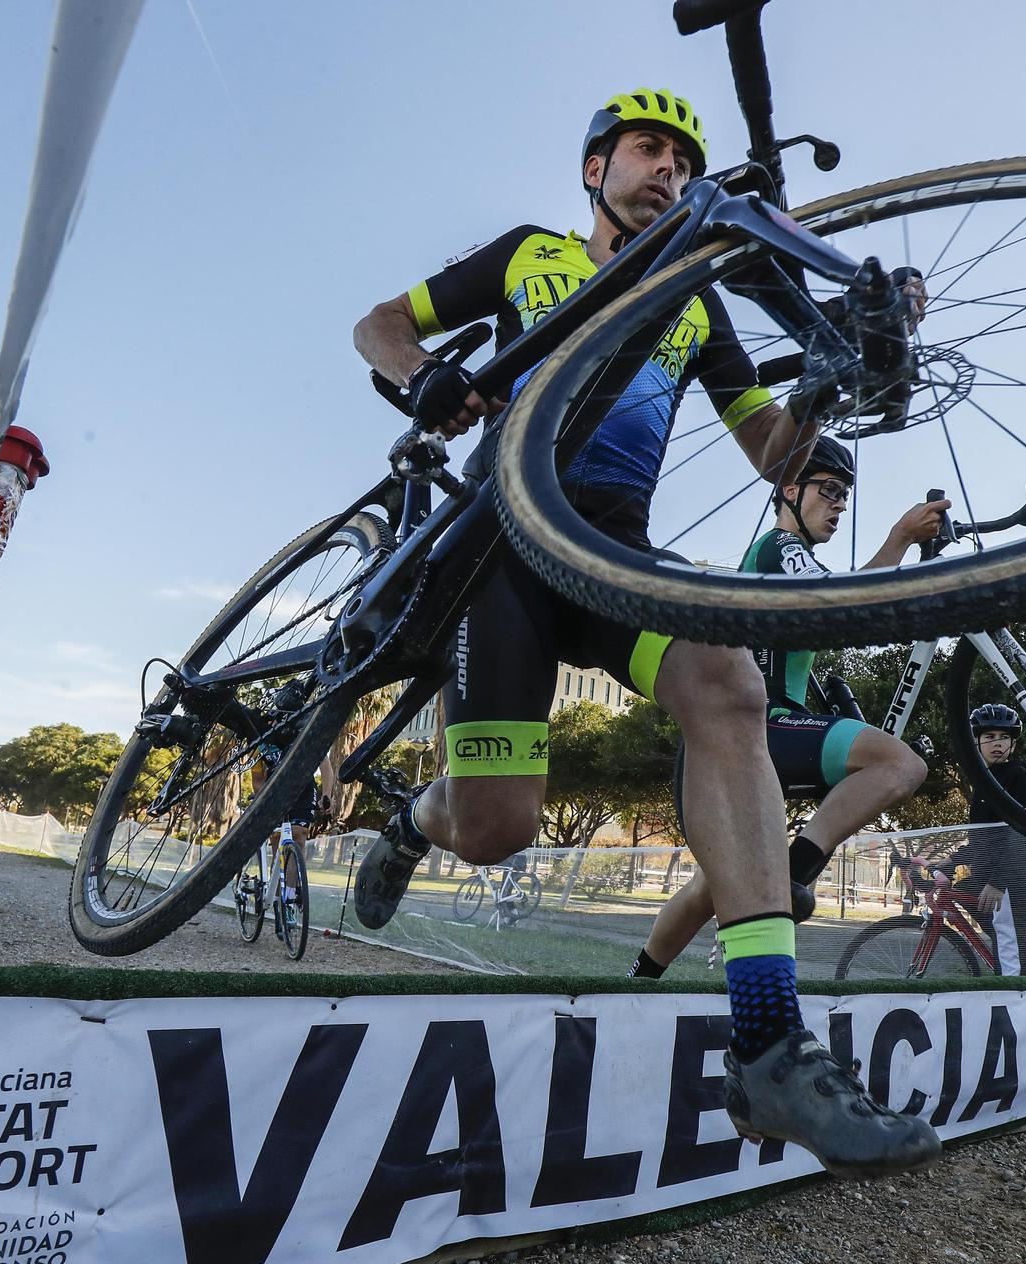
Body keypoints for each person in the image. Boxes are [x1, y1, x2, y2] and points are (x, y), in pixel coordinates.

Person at [348, 88, 937, 1176]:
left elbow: (775, 451)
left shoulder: (693, 300)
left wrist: (834, 383)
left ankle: (765, 1038)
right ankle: (412, 814)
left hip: (611, 553)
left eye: (680, 157)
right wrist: (419, 373)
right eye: (644, 149)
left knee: (730, 689)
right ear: (593, 171)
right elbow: (377, 322)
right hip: (499, 550)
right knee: (495, 828)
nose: (664, 168)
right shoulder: (528, 257)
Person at [629, 438, 951, 977]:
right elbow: (848, 605)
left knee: (711, 885)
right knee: (899, 763)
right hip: (761, 725)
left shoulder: (795, 563)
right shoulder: (780, 548)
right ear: (789, 489)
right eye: (829, 491)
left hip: (728, 741)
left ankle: (639, 979)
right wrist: (899, 538)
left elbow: (843, 606)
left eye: (845, 496)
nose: (839, 505)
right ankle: (795, 869)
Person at [955, 704, 1026, 975]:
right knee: (964, 888)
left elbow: (1025, 833)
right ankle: (1019, 951)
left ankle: (1017, 966)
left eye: (1003, 737)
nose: (996, 743)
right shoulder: (986, 780)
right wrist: (949, 861)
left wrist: (997, 882)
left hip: (1012, 883)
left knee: (1009, 970)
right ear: (977, 742)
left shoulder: (1015, 775)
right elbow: (986, 840)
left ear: (1013, 744)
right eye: (989, 737)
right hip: (991, 878)